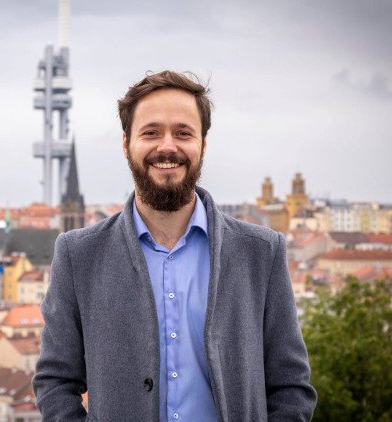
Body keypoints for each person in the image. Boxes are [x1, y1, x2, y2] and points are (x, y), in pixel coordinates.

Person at [33, 70, 317, 421]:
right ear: (126, 144)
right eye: (151, 132)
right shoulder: (79, 256)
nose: (167, 146)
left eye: (183, 133)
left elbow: (291, 386)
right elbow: (55, 381)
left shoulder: (261, 252)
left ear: (203, 145)